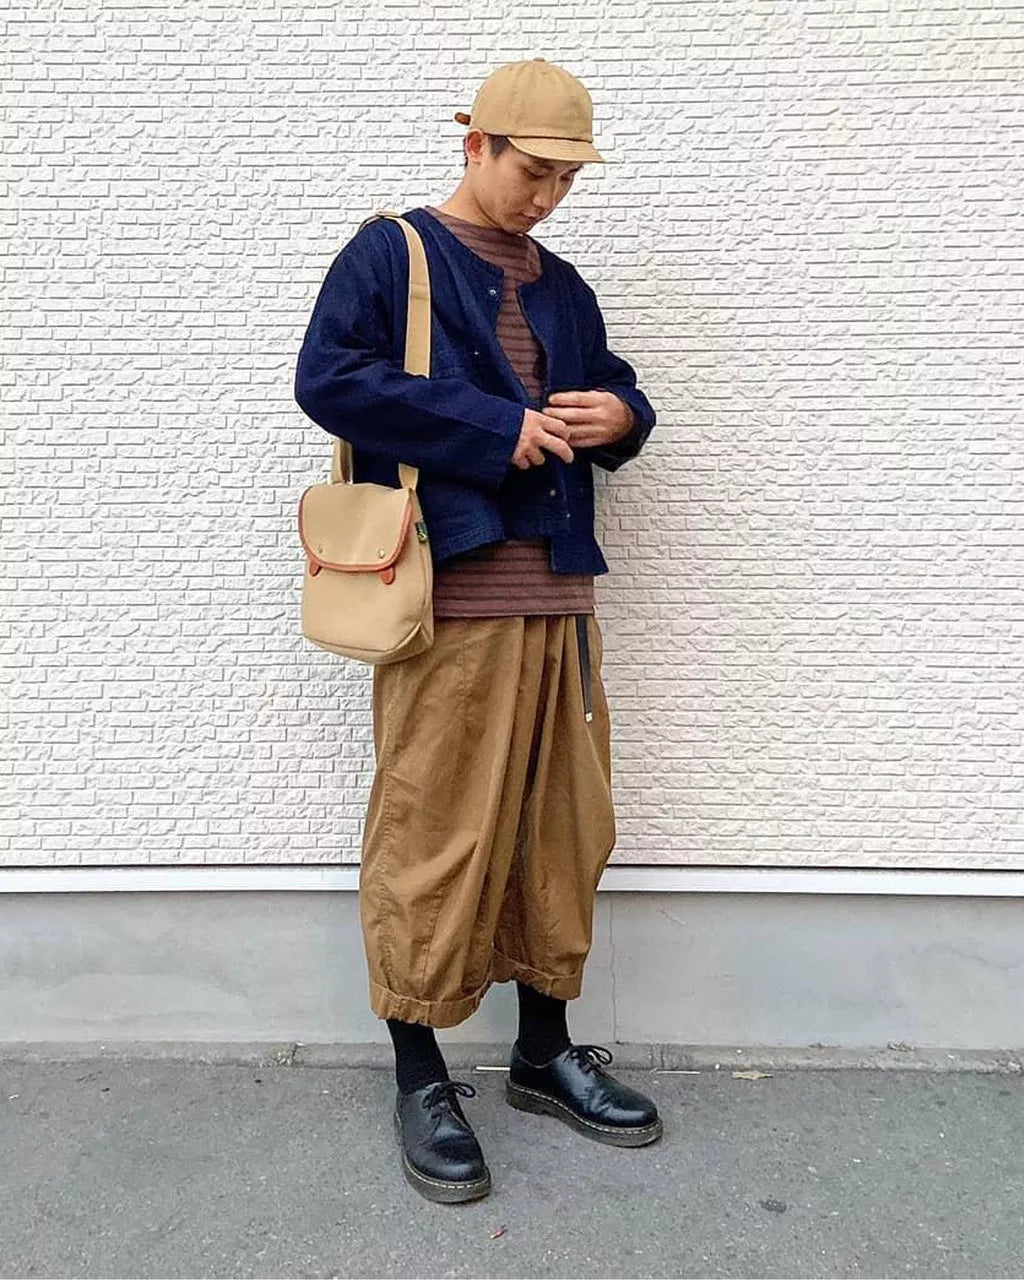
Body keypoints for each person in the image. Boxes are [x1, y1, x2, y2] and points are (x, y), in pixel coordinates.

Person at [294, 57, 661, 1204]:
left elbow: (612, 387)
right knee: (434, 835)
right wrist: (489, 427)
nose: (546, 196)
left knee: (561, 832)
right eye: (532, 171)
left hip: (562, 599)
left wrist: (621, 414)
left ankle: (544, 1052)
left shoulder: (564, 284)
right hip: (449, 602)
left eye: (565, 179)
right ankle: (419, 1074)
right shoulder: (390, 253)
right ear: (475, 146)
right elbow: (328, 380)